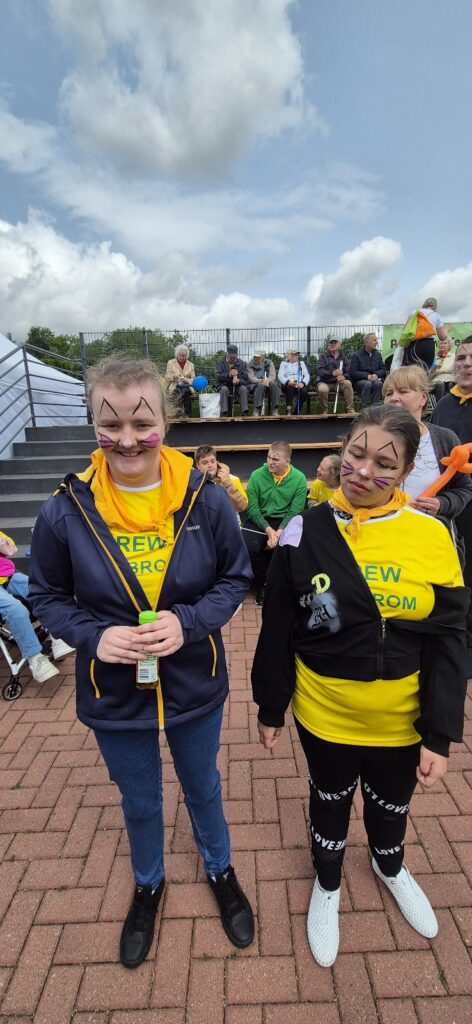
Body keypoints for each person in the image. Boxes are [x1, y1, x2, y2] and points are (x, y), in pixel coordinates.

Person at [28, 355, 255, 969]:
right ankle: (149, 882)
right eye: (111, 424)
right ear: (93, 425)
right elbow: (45, 596)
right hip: (113, 688)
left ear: (165, 423)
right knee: (140, 800)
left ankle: (220, 868)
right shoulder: (65, 510)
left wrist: (189, 622)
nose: (127, 439)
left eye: (141, 422)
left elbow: (235, 579)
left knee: (202, 785)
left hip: (194, 677)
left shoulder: (205, 499)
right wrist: (92, 637)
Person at [252, 404, 467, 968]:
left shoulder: (431, 535)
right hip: (325, 714)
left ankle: (389, 865)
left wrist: (440, 734)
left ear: (406, 472)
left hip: (402, 721)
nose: (364, 472)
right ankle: (327, 882)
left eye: (384, 464)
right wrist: (271, 706)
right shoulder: (304, 529)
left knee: (390, 806)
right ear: (342, 449)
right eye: (356, 454)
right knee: (329, 800)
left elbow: (450, 639)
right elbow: (278, 624)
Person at [383, 366, 472, 544]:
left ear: (423, 398)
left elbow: (464, 488)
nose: (394, 398)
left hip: (431, 540)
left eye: (403, 391)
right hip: (384, 537)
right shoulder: (373, 438)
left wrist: (442, 504)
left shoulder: (445, 439)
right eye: (388, 393)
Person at [431, 337, 472, 668]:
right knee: (455, 570)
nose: (467, 364)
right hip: (451, 504)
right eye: (461, 358)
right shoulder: (444, 405)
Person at [0, 531, 74, 682]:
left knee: (42, 590)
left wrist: (2, 542)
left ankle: (57, 635)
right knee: (16, 609)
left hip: (7, 576)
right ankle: (35, 659)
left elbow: (11, 550)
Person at [242, 442, 307, 605]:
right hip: (260, 520)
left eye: (275, 459)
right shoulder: (257, 475)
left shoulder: (299, 478)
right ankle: (264, 583)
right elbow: (252, 508)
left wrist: (280, 531)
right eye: (269, 457)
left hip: (285, 520)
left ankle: (284, 585)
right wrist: (269, 530)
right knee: (247, 546)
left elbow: (295, 510)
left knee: (294, 546)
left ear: (288, 461)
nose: (270, 462)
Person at [194, 445, 248, 517]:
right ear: (197, 465)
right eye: (205, 463)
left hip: (228, 519)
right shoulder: (193, 482)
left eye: (212, 461)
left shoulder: (232, 479)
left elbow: (241, 506)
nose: (210, 465)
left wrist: (227, 483)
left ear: (217, 462)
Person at [403, 297, 450, 371]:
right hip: (427, 345)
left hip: (413, 344)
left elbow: (405, 329)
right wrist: (446, 330)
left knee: (410, 370)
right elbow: (442, 337)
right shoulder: (436, 315)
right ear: (435, 306)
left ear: (424, 304)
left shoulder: (415, 312)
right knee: (425, 370)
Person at [317, 336, 355, 415]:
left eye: (335, 342)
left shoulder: (344, 357)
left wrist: (344, 377)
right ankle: (325, 410)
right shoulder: (323, 357)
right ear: (328, 345)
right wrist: (332, 373)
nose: (333, 344)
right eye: (331, 343)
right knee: (322, 389)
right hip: (325, 382)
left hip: (339, 383)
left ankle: (350, 410)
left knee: (348, 383)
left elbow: (349, 371)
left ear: (339, 345)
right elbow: (320, 371)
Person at [350, 333, 386, 408]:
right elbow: (353, 372)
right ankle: (365, 409)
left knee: (378, 383)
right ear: (366, 342)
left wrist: (376, 375)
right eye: (374, 340)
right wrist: (367, 376)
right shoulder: (356, 355)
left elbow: (383, 369)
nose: (377, 342)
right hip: (360, 382)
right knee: (367, 384)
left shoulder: (378, 355)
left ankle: (374, 408)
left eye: (376, 340)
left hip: (375, 380)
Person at [215, 344, 250, 416]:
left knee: (243, 389)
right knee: (224, 389)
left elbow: (246, 379)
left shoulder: (241, 363)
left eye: (234, 357)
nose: (233, 359)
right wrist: (228, 375)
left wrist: (239, 381)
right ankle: (224, 413)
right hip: (225, 385)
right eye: (231, 357)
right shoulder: (220, 363)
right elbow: (218, 377)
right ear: (227, 354)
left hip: (237, 387)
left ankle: (245, 413)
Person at [163, 344, 196, 417]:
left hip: (187, 385)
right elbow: (167, 376)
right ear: (177, 355)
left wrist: (187, 380)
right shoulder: (170, 362)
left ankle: (185, 414)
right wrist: (173, 377)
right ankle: (184, 414)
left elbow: (194, 379)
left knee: (185, 390)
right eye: (180, 356)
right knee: (179, 390)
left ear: (186, 356)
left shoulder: (191, 365)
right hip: (175, 386)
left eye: (184, 356)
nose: (182, 357)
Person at [247, 348, 281, 416]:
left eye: (258, 357)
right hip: (255, 386)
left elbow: (272, 376)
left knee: (274, 384)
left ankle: (275, 409)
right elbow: (251, 378)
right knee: (260, 385)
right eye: (255, 356)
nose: (256, 358)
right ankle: (256, 410)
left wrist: (267, 381)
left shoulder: (270, 363)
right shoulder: (249, 365)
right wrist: (261, 381)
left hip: (268, 384)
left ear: (263, 356)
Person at [277, 348, 310, 415]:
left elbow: (307, 375)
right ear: (289, 356)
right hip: (287, 384)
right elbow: (280, 376)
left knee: (304, 392)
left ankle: (296, 411)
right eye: (294, 355)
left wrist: (303, 383)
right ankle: (289, 409)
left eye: (297, 355)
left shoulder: (301, 363)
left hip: (299, 384)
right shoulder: (283, 364)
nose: (296, 356)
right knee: (290, 387)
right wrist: (288, 382)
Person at [430, 338, 456, 402]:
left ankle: (453, 405)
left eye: (445, 343)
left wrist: (440, 371)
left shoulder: (454, 356)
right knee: (440, 384)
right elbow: (429, 375)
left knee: (451, 384)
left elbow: (453, 368)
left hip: (451, 379)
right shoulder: (434, 358)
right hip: (437, 381)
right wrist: (434, 368)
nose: (443, 345)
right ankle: (440, 406)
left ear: (449, 345)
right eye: (441, 343)